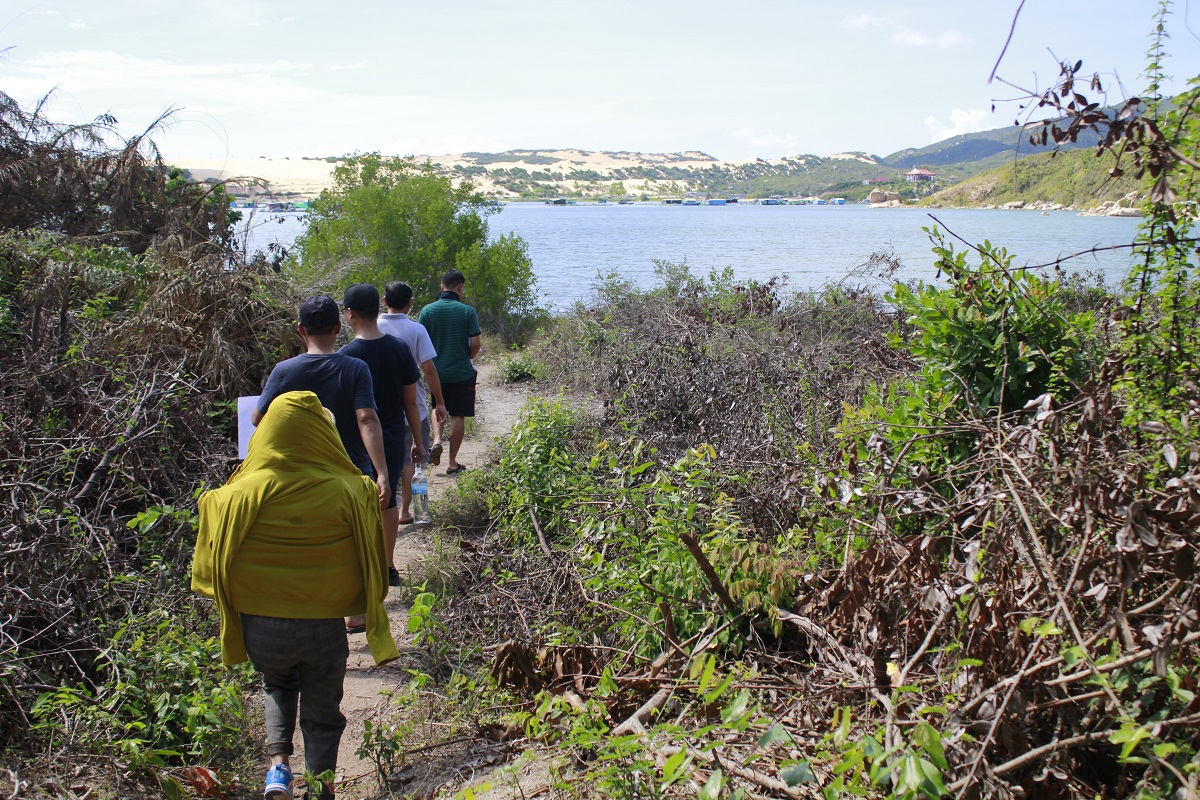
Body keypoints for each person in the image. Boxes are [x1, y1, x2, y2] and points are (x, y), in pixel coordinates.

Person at [192, 390, 399, 800]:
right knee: (322, 716)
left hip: (262, 630)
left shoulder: (231, 498)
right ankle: (320, 789)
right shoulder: (351, 491)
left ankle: (278, 769)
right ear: (322, 434)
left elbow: (210, 549)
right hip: (323, 629)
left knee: (277, 684)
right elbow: (374, 557)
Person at [251, 295, 390, 509]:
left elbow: (257, 419)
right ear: (337, 327)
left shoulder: (284, 371)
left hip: (299, 481)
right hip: (351, 476)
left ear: (300, 329)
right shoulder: (356, 368)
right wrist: (382, 474)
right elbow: (367, 420)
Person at [339, 283, 424, 591]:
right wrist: (417, 440)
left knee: (360, 502)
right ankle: (388, 565)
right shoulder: (398, 348)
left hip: (355, 441)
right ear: (378, 308)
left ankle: (363, 566)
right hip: (390, 435)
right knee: (387, 502)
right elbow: (410, 402)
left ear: (349, 315)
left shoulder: (345, 356)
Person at [378, 280, 448, 522]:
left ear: (385, 301)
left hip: (380, 410)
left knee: (384, 461)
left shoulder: (372, 327)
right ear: (409, 305)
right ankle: (406, 510)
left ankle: (381, 508)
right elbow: (428, 369)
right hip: (414, 409)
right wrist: (439, 401)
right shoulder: (417, 330)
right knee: (414, 461)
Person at [417, 269, 481, 475]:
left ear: (441, 287)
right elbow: (476, 343)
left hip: (435, 371)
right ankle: (452, 462)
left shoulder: (427, 311)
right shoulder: (467, 311)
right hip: (461, 371)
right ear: (460, 287)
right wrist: (468, 357)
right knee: (458, 415)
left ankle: (436, 440)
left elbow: (420, 341)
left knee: (437, 406)